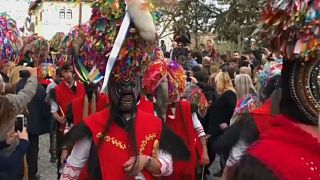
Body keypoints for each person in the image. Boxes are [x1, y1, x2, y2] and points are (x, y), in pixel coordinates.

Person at [59, 1, 190, 179]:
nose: (127, 89)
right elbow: (71, 170)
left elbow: (167, 167)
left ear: (140, 83)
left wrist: (146, 161)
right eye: (120, 83)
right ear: (109, 85)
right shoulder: (94, 125)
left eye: (132, 82)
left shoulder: (154, 123)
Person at [50, 63, 85, 178]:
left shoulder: (83, 87)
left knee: (80, 160)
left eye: (70, 72)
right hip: (64, 131)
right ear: (62, 73)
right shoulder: (57, 90)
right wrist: (61, 120)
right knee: (63, 160)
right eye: (65, 72)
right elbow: (54, 110)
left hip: (81, 130)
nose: (68, 75)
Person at [16, 70, 51, 180]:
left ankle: (20, 172)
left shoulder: (16, 86)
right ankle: (32, 173)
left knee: (19, 150)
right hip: (34, 126)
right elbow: (45, 107)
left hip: (20, 125)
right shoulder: (39, 88)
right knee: (33, 151)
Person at [207, 70, 237, 177]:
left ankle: (225, 172)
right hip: (219, 128)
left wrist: (228, 125)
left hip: (222, 129)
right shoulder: (227, 93)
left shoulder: (229, 94)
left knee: (223, 152)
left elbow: (233, 110)